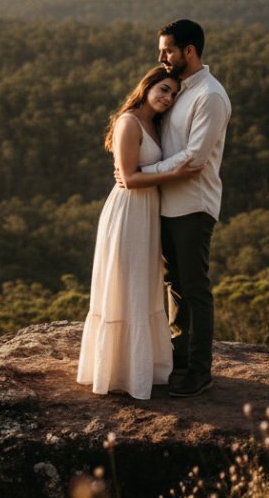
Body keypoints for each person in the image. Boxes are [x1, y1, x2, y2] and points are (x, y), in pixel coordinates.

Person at [118, 19, 231, 398]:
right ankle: (179, 360)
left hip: (193, 205)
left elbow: (194, 158)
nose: (161, 57)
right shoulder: (181, 90)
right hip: (164, 204)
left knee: (195, 289)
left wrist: (139, 173)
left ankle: (200, 371)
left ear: (189, 51)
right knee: (175, 285)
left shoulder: (210, 96)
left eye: (167, 50)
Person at [77, 67, 201, 400]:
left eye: (173, 94)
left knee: (143, 286)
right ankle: (117, 371)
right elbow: (129, 178)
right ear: (146, 86)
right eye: (163, 89)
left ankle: (142, 368)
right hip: (128, 211)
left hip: (148, 213)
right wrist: (174, 172)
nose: (167, 97)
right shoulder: (128, 122)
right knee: (125, 285)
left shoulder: (155, 124)